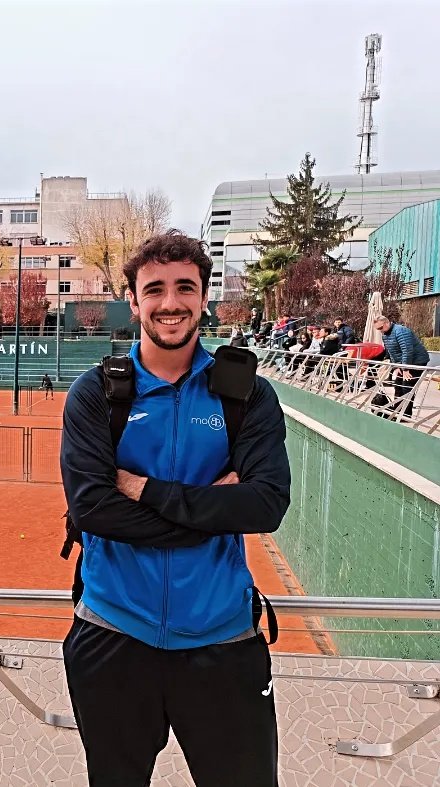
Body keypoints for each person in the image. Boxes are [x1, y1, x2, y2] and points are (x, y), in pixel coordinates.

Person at [60, 230, 290, 787]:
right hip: (112, 635)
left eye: (185, 287)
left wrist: (146, 491)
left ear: (203, 297)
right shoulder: (95, 395)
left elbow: (265, 504)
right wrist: (214, 509)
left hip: (222, 639)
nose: (170, 302)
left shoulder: (247, 395)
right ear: (134, 301)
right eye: (154, 289)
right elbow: (93, 509)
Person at [374, 315, 431, 419]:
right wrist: (396, 367)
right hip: (404, 363)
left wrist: (405, 368)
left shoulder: (401, 331)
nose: (380, 331)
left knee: (407, 386)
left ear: (386, 323)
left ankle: (406, 414)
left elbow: (407, 351)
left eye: (380, 328)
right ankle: (398, 409)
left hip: (417, 361)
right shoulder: (385, 335)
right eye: (377, 329)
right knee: (398, 385)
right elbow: (392, 352)